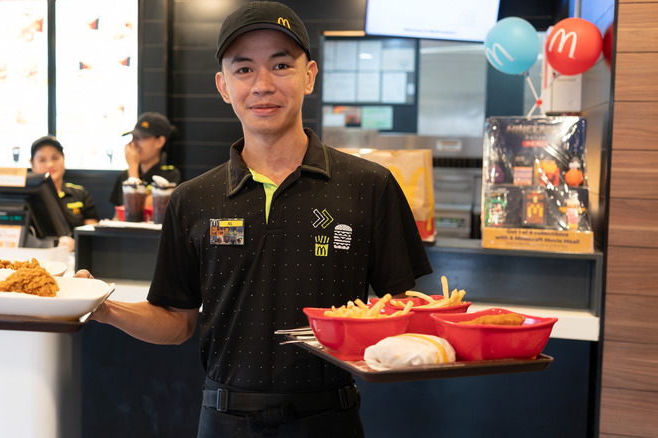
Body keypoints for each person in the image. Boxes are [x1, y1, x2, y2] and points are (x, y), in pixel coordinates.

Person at [80, 2, 431, 437]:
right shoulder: (193, 200)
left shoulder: (368, 185)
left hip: (329, 418)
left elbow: (403, 308)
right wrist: (104, 307)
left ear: (309, 75)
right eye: (243, 69)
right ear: (223, 86)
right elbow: (176, 324)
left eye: (281, 65)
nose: (263, 85)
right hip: (224, 419)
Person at [108, 112, 182, 211]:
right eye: (133, 138)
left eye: (140, 138)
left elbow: (138, 210)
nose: (133, 144)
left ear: (160, 142)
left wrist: (133, 169)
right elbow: (119, 215)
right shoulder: (124, 175)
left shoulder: (170, 175)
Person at [30, 134, 99, 230]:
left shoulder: (80, 194)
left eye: (55, 158)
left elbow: (90, 236)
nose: (50, 164)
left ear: (64, 160)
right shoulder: (26, 197)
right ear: (32, 164)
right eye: (42, 160)